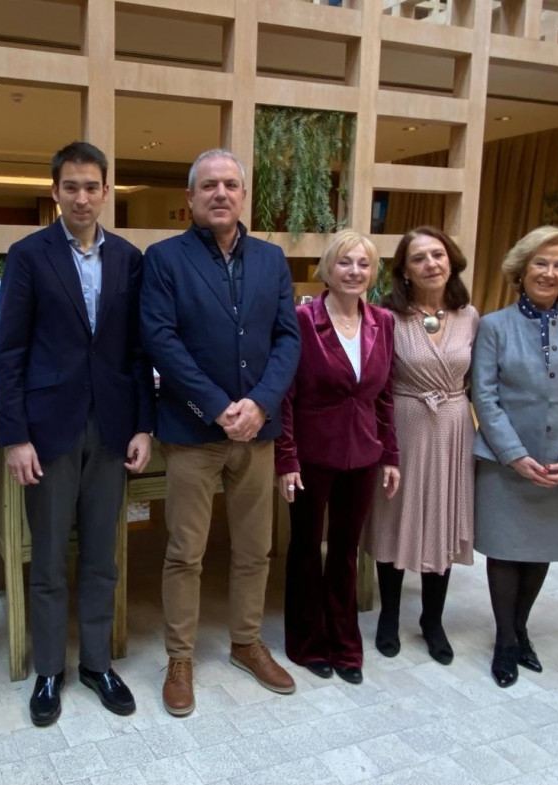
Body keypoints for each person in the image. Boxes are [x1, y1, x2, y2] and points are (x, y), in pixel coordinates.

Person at [0, 141, 156, 726]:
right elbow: (7, 351)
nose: (82, 197)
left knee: (101, 556)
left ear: (106, 191)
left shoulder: (129, 259)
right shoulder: (28, 255)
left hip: (112, 427)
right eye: (71, 187)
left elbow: (138, 351)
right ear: (55, 191)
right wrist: (15, 435)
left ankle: (95, 663)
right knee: (46, 560)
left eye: (92, 186)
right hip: (48, 429)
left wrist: (143, 424)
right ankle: (47, 671)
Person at [140, 148, 301, 717]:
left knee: (255, 549)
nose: (220, 194)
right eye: (208, 185)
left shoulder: (270, 259)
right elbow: (160, 338)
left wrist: (259, 403)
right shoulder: (163, 259)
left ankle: (245, 642)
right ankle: (179, 657)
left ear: (243, 195)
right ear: (190, 198)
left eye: (230, 184)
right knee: (186, 551)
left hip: (257, 433)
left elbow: (288, 339)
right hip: (192, 429)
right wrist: (214, 405)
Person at [471, 226, 558, 688]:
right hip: (505, 461)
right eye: (541, 263)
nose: (549, 272)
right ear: (522, 269)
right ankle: (506, 641)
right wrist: (513, 454)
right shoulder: (493, 325)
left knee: (540, 549)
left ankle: (521, 628)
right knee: (507, 551)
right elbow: (484, 396)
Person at [276, 231, 400, 686]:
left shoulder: (383, 322)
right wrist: (286, 459)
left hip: (364, 453)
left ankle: (347, 644)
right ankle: (307, 642)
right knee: (306, 549)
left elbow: (385, 396)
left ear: (373, 273)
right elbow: (285, 398)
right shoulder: (301, 319)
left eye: (363, 264)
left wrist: (391, 454)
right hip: (311, 452)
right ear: (328, 269)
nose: (354, 272)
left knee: (346, 552)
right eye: (344, 263)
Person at [363, 226, 478, 665]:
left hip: (452, 426)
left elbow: (478, 381)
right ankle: (389, 616)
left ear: (451, 260)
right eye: (419, 258)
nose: (431, 263)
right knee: (395, 516)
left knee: (442, 518)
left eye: (438, 254)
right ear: (404, 271)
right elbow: (376, 384)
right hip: (404, 423)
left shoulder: (470, 316)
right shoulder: (386, 317)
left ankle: (433, 620)